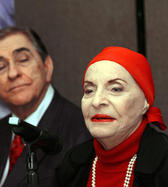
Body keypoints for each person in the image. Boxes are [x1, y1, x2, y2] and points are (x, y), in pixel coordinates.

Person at [0, 26, 91, 187]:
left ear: (47, 66)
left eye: (23, 60)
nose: (12, 73)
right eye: (0, 67)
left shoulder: (83, 132)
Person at [57, 46, 168, 187]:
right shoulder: (73, 164)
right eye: (89, 90)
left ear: (146, 101)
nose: (96, 101)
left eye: (115, 89)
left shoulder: (163, 163)